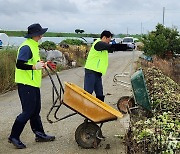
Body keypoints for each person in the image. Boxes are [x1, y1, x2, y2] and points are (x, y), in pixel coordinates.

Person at [8, 23, 55, 149]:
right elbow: (19, 64)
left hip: (33, 83)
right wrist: (34, 67)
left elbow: (33, 62)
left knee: (35, 110)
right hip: (26, 84)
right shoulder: (26, 47)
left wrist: (43, 64)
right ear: (36, 34)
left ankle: (39, 134)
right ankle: (14, 136)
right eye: (41, 33)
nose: (42, 35)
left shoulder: (34, 46)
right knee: (28, 111)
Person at [84, 30, 114, 102]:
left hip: (97, 73)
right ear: (104, 37)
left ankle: (100, 110)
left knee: (100, 94)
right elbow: (111, 46)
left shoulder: (103, 47)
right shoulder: (98, 44)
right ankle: (85, 109)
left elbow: (112, 48)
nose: (108, 42)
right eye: (108, 40)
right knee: (88, 92)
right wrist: (126, 46)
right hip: (91, 71)